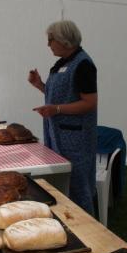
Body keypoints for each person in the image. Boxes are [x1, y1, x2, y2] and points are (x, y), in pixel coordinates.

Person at [28, 20, 98, 215]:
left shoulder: (83, 64)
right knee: (60, 182)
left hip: (76, 140)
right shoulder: (61, 63)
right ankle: (65, 218)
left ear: (64, 40)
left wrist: (56, 109)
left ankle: (87, 227)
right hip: (57, 135)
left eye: (51, 39)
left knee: (78, 186)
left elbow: (89, 103)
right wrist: (40, 85)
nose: (48, 44)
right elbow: (60, 96)